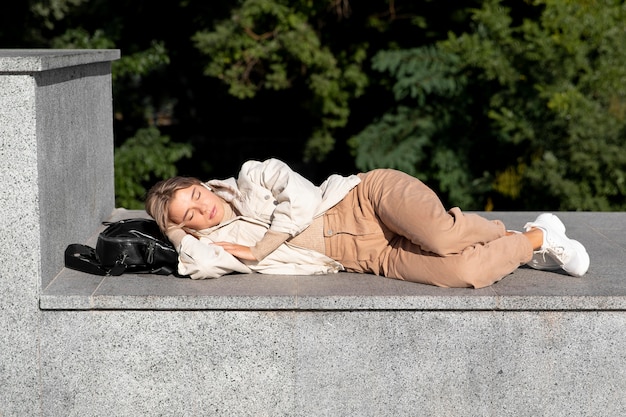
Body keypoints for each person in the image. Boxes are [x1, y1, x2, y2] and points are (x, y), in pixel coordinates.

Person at [144, 158, 590, 288]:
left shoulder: (251, 176)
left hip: (366, 199)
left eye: (197, 197)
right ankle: (535, 238)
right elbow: (194, 263)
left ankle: (513, 237)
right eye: (190, 216)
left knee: (442, 235)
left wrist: (261, 250)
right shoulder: (214, 241)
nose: (203, 211)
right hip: (368, 258)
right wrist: (173, 228)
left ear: (203, 184)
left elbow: (298, 197)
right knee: (464, 272)